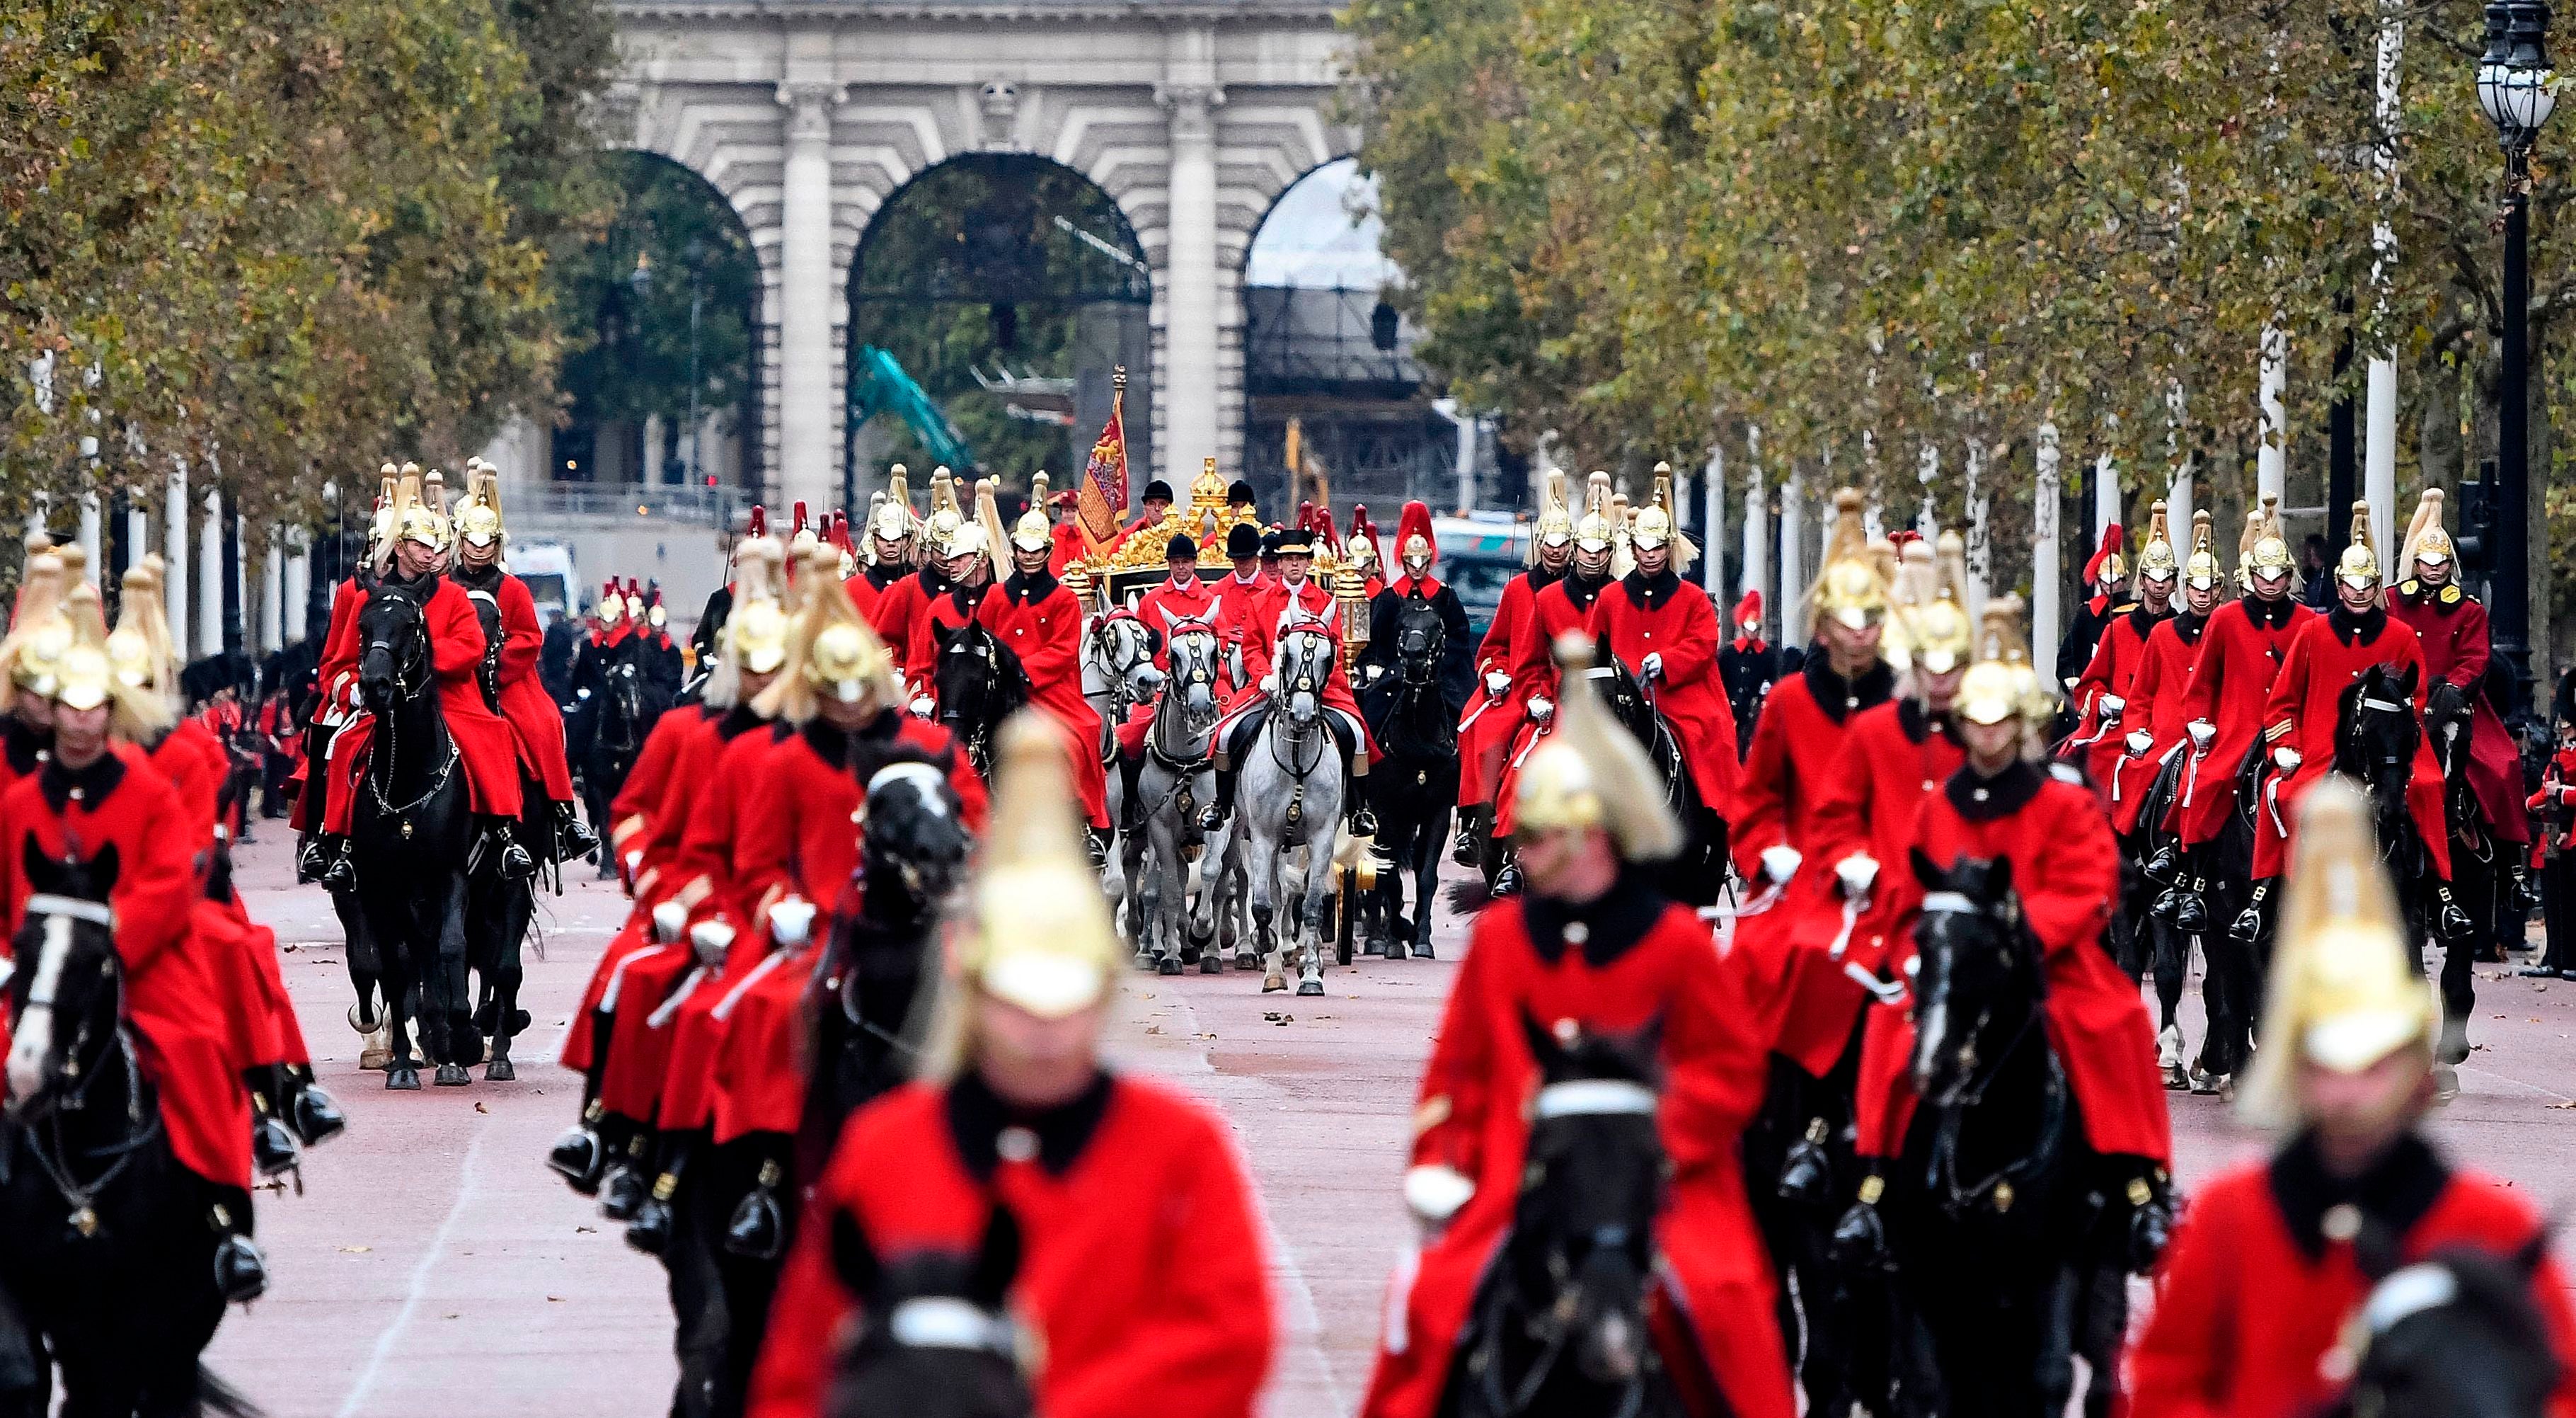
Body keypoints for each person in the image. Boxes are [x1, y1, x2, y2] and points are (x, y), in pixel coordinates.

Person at [745, 715, 1272, 1418]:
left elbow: (1227, 1341)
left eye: (1069, 1002)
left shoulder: (1181, 1148)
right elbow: (801, 1367)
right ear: (975, 991)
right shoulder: (884, 1146)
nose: (1045, 1031)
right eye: (1020, 1002)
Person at [1359, 632, 1793, 1418]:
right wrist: (1442, 1159)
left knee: (1726, 1313)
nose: (1521, 852)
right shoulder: (1498, 941)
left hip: (1659, 1183)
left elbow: (1731, 1074)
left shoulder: (1679, 942)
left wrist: (1650, 1137)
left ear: (1595, 835)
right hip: (1519, 1173)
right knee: (1426, 1307)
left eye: (1538, 835)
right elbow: (1455, 1074)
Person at [2126, 778, 2576, 1417]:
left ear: (2415, 1079)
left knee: (2479, 771)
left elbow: (2560, 1388)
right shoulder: (2227, 1222)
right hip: (2275, 744)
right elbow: (2164, 1385)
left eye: (2373, 1067)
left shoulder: (2493, 1227)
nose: (2349, 1094)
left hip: (2395, 725)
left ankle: (2464, 883)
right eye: (2326, 1065)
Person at [1837, 597, 2173, 1260]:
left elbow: (2089, 888)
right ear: (1961, 727)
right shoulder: (1939, 807)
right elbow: (1913, 887)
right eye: (1976, 726)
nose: (1988, 739)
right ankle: (1873, 1185)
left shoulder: (2065, 799)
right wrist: (1922, 946)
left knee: (2117, 1023)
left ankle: (2141, 1185)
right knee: (1888, 1027)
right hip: (1960, 965)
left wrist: (2023, 932)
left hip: (2049, 963)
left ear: (2017, 726)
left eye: (2000, 726)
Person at [0, 586, 270, 1300]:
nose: (82, 721)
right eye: (70, 705)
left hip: (136, 963)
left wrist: (114, 940)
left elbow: (167, 882)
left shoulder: (148, 789)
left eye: (96, 706)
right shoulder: (19, 802)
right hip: (34, 970)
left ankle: (226, 1217)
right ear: (52, 709)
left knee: (195, 1053)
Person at [2260, 503, 2471, 1042]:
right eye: (2348, 584)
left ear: (2376, 584)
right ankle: (2265, 894)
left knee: (2427, 787)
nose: (2356, 593)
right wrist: (2285, 747)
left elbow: (2417, 695)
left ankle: (2442, 895)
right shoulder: (2310, 634)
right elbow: (2282, 702)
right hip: (2319, 748)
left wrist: (2403, 731)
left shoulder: (2400, 636)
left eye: (2365, 584)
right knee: (2287, 798)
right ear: (2337, 583)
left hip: (2391, 749)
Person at [314, 471, 534, 884]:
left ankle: (504, 834)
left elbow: (471, 646)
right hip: (382, 701)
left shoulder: (452, 595)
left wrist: (426, 661)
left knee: (493, 737)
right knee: (343, 746)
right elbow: (339, 662)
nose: (431, 553)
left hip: (449, 697)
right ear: (401, 547)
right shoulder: (368, 599)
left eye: (434, 546)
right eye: (420, 544)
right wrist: (355, 689)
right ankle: (336, 842)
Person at [2168, 496, 2316, 956]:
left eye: (2279, 576)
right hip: (2236, 731)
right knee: (2206, 785)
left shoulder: (2310, 622)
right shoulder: (2226, 620)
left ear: (2290, 577)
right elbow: (2202, 682)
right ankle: (2191, 883)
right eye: (2262, 576)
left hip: (2294, 737)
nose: (2270, 584)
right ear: (2248, 577)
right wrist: (2199, 725)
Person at [2386, 488, 2531, 913]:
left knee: (2502, 765)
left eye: (2442, 563)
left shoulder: (2468, 610)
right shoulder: (2392, 602)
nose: (2434, 570)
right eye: (2427, 563)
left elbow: (2476, 659)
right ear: (2415, 563)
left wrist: (2449, 692)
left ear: (2451, 565)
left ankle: (2511, 868)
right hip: (2400, 703)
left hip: (2455, 702)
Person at [449, 466, 594, 862]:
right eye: (472, 544)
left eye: (486, 545)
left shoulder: (512, 588)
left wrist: (496, 665)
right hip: (456, 681)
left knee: (543, 724)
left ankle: (563, 815)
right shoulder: (445, 587)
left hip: (505, 680)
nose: (478, 552)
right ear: (460, 543)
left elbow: (530, 637)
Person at [1199, 521, 1378, 836]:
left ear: (1308, 562)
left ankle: (1359, 809)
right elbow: (1252, 647)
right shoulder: (1260, 601)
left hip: (1321, 689)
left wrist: (1317, 684)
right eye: (1288, 559)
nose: (1294, 565)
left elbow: (1334, 647)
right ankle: (1221, 805)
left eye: (1300, 559)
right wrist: (1264, 676)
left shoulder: (1325, 601)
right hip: (1265, 688)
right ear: (1279, 563)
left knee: (1358, 735)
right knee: (1226, 735)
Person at [1488, 473, 1623, 890]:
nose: (1591, 558)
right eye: (1584, 549)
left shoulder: (1620, 595)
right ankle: (1516, 857)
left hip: (1615, 705)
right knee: (1523, 765)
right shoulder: (1544, 599)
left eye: (1600, 551)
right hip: (1560, 705)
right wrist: (1536, 698)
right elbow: (1528, 663)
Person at [1583, 469, 1737, 823]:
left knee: (1710, 736)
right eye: (1643, 547)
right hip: (1625, 697)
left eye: (1657, 548)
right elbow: (1594, 649)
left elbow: (1703, 645)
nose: (1650, 555)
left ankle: (1720, 827)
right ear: (1634, 548)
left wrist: (1666, 661)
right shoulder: (1610, 597)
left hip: (1681, 696)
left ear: (1669, 549)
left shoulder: (1694, 599)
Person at [1454, 472, 1572, 862]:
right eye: (1549, 544)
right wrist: (1494, 673)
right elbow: (1495, 645)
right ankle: (1476, 820)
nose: (1555, 551)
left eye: (1562, 544)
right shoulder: (1518, 589)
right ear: (1540, 546)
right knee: (1482, 725)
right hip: (1519, 686)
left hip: (1563, 690)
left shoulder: (1582, 590)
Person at [981, 490, 1112, 840]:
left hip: (1051, 693)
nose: (1028, 556)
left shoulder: (1064, 598)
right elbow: (983, 638)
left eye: (1035, 549)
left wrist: (1021, 670)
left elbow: (1064, 650)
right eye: (1023, 549)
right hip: (1001, 689)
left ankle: (1084, 824)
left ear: (1047, 552)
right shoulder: (995, 595)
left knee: (1079, 736)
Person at [2064, 501, 2175, 799]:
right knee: (2093, 760)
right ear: (2143, 581)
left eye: (2167, 579)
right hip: (2121, 723)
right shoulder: (2117, 629)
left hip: (2171, 727)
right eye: (2154, 577)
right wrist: (2101, 702)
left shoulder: (2180, 629)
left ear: (2176, 584)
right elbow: (2089, 682)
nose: (2160, 585)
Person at [1360, 501, 1474, 710]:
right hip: (1398, 670)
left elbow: (1459, 637)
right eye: (1412, 563)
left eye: (1422, 562)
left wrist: (1438, 666)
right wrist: (1379, 667)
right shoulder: (1389, 598)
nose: (1417, 568)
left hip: (1438, 671)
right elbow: (1376, 641)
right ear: (1404, 562)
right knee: (1373, 710)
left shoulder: (1444, 595)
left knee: (1463, 711)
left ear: (1429, 560)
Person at [2054, 520, 2127, 689]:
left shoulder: (2134, 614)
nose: (2111, 586)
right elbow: (2069, 657)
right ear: (2099, 582)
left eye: (2116, 581)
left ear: (2123, 581)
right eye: (2106, 581)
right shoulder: (2087, 615)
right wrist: (2073, 681)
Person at [1718, 589, 1790, 755]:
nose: (1753, 631)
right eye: (1750, 626)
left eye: (1757, 627)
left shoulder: (1768, 655)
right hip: (1730, 713)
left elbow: (1773, 682)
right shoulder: (1728, 654)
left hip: (1754, 714)